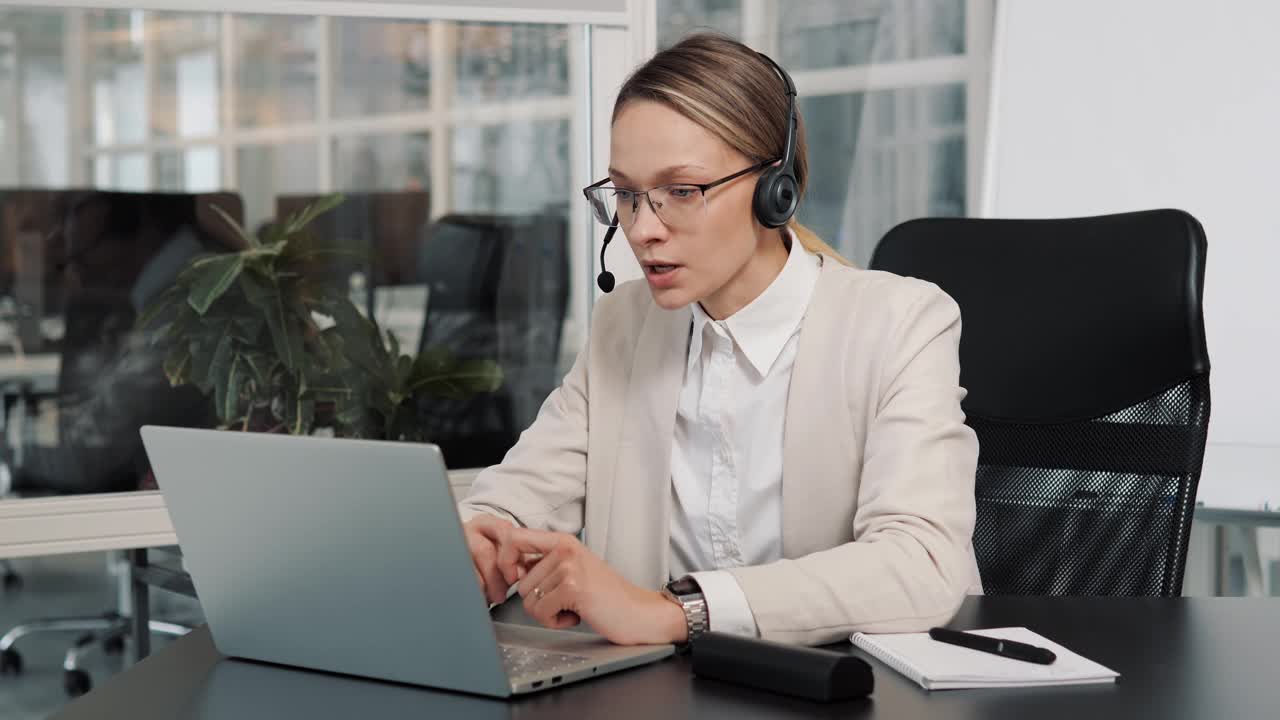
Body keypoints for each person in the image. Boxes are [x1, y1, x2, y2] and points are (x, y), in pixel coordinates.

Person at [458, 33, 981, 648]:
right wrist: (480, 534)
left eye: (682, 191)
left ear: (774, 188)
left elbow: (921, 562)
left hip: (860, 693)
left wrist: (676, 611)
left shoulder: (900, 323)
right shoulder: (625, 326)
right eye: (625, 194)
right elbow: (524, 494)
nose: (643, 229)